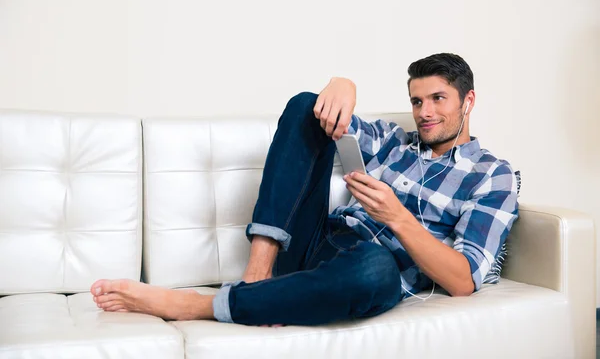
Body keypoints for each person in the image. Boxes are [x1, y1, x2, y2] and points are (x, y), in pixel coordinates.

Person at [90, 53, 519, 326]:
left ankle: (199, 306)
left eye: (438, 99)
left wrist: (398, 218)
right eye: (416, 101)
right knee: (302, 105)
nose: (424, 113)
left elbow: (464, 280)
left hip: (369, 270)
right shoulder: (395, 142)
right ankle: (257, 277)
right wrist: (341, 83)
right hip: (316, 241)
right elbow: (323, 114)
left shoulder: (492, 175)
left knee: (375, 269)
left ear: (468, 101)